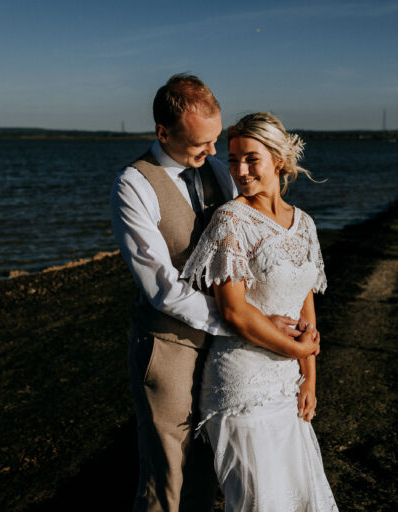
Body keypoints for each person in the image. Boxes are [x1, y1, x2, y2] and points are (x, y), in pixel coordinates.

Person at [110, 75, 320, 511]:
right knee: (168, 474)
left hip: (232, 347)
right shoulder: (134, 185)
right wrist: (241, 319)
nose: (211, 155)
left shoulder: (221, 171)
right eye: (199, 145)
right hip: (172, 343)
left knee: (209, 476)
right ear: (163, 133)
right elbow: (161, 288)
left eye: (214, 143)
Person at [181, 112, 338, 511]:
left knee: (302, 499)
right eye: (233, 160)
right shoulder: (230, 220)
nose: (241, 170)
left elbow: (306, 310)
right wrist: (300, 351)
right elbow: (232, 312)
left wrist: (310, 379)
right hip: (241, 388)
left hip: (288, 387)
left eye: (251, 158)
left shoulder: (304, 224)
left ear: (279, 160)